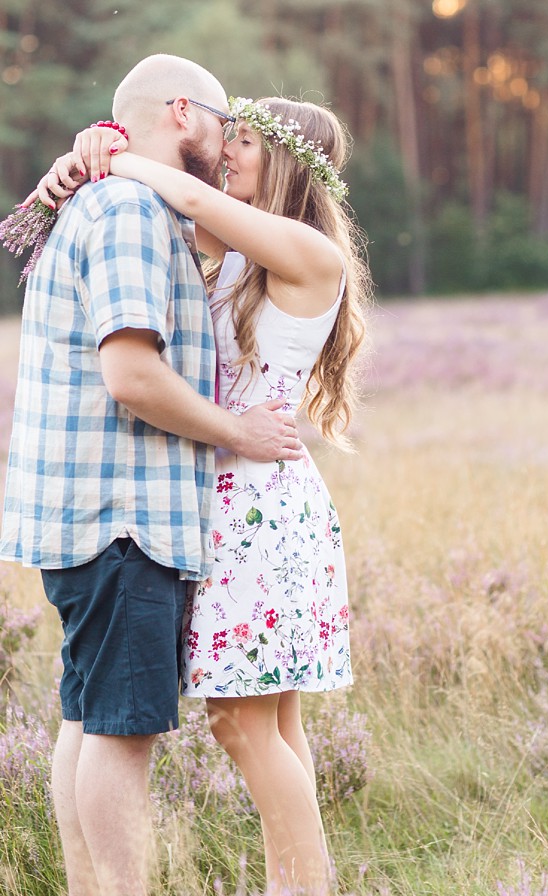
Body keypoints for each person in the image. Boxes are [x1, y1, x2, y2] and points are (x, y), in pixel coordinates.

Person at [39, 90, 371, 896]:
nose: (229, 153)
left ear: (288, 161)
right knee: (275, 726)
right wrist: (87, 151)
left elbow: (183, 191)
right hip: (236, 496)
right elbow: (155, 212)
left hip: (257, 507)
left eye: (247, 143)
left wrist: (114, 156)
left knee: (240, 724)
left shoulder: (307, 251)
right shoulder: (241, 250)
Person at [0, 56, 305, 896]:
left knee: (88, 719)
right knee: (122, 736)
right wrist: (238, 430)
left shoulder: (118, 200)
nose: (226, 139)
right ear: (182, 112)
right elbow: (132, 376)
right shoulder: (131, 209)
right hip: (122, 515)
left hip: (90, 513)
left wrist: (95, 152)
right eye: (220, 122)